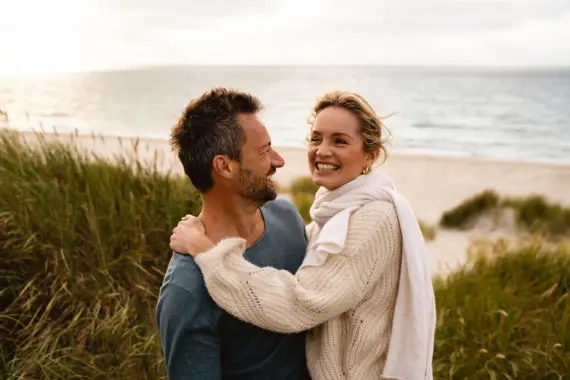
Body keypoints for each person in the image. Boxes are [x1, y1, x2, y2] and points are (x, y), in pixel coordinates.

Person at [169, 90, 437, 380]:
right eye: (316, 138)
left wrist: (208, 252)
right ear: (223, 166)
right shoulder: (333, 211)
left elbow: (300, 303)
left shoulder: (372, 219)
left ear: (370, 155)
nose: (322, 150)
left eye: (340, 141)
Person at [155, 87, 311, 380]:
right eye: (264, 151)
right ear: (224, 166)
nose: (278, 161)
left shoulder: (287, 217)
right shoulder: (186, 290)